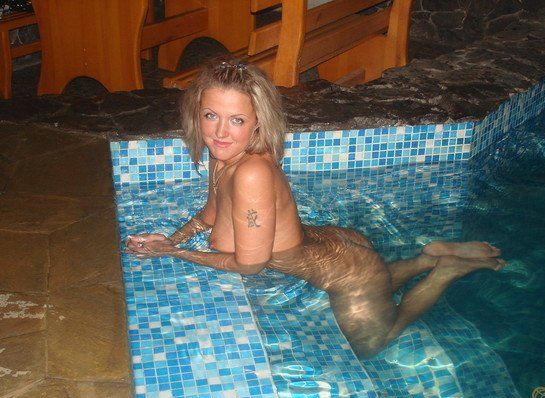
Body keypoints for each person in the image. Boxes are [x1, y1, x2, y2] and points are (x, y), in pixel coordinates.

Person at [126, 60, 505, 359]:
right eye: (211, 116)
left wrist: (175, 253)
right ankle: (426, 258)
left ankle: (444, 271)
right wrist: (172, 237)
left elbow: (250, 264)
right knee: (372, 283)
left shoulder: (252, 172)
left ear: (257, 124)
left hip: (343, 268)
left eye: (236, 120)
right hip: (339, 253)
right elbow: (210, 214)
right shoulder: (223, 153)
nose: (220, 131)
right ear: (197, 113)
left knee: (372, 344)